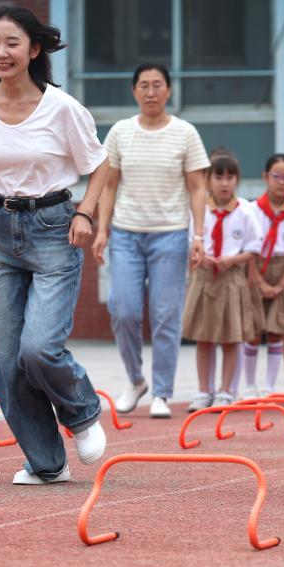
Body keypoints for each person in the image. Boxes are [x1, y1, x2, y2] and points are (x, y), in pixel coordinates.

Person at [0, 6, 110, 484]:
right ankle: (45, 461)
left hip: (55, 226)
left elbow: (99, 165)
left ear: (34, 49)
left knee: (38, 347)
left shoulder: (61, 107)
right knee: (5, 355)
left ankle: (82, 412)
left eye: (12, 42)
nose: (1, 51)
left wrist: (85, 213)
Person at [94, 63, 209, 419]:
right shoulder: (120, 132)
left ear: (169, 90)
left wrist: (198, 235)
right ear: (134, 91)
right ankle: (135, 379)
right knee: (123, 309)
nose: (151, 92)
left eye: (158, 85)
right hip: (127, 234)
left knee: (165, 316)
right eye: (143, 85)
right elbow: (108, 184)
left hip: (171, 234)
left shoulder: (185, 133)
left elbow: (197, 187)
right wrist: (102, 229)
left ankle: (161, 392)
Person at [182, 151, 261, 412]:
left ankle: (227, 390)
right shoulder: (200, 210)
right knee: (204, 337)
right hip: (204, 278)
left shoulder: (246, 211)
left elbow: (254, 248)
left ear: (237, 179)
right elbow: (190, 241)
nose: (224, 183)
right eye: (219, 177)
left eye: (230, 177)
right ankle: (204, 390)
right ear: (208, 179)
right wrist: (200, 255)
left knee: (230, 337)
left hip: (231, 278)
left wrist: (234, 259)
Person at [241, 154, 284, 397]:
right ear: (265, 177)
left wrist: (282, 284)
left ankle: (269, 386)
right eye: (276, 176)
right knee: (253, 330)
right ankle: (249, 386)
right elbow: (248, 248)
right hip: (254, 268)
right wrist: (258, 280)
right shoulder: (252, 210)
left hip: (282, 270)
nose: (281, 182)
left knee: (277, 328)